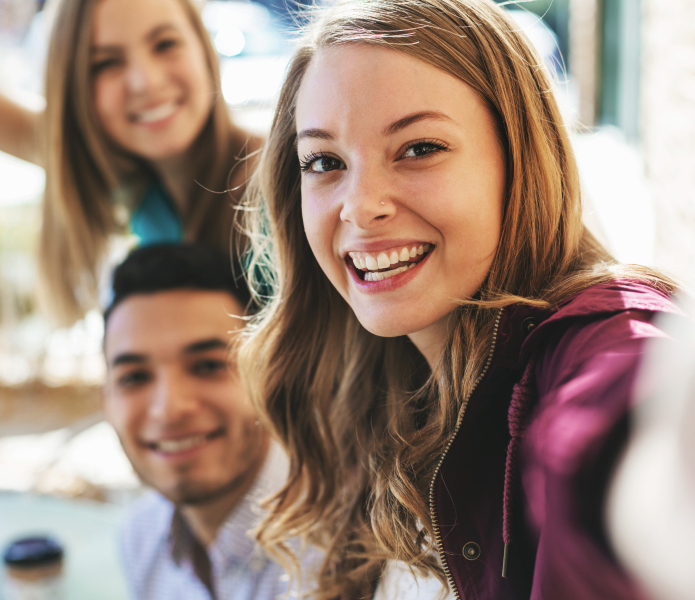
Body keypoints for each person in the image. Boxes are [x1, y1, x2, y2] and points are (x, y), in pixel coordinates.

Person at [237, 0, 679, 599]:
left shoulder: (604, 341)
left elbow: (628, 401)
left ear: (520, 158)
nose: (361, 205)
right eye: (324, 162)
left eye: (419, 148)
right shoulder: (364, 391)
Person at [0, 0, 257, 324]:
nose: (145, 82)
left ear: (203, 47)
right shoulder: (134, 183)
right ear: (76, 91)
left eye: (166, 44)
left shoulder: (284, 177)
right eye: (106, 63)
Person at [102, 244, 309, 600]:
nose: (169, 410)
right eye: (134, 377)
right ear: (105, 398)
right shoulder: (139, 535)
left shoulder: (344, 554)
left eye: (208, 366)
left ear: (269, 376)